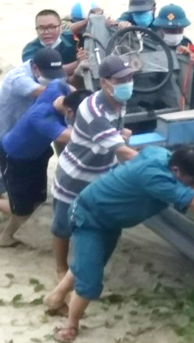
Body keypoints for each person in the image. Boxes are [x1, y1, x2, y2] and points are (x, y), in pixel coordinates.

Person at [46, 146, 194, 343]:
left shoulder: (160, 154)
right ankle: (70, 326)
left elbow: (136, 154)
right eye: (192, 181)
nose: (193, 186)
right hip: (89, 219)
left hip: (108, 219)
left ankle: (55, 298)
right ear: (176, 170)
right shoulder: (155, 178)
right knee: (90, 282)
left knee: (90, 263)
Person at [52, 55, 138, 278]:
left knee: (97, 221)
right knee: (63, 226)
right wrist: (153, 167)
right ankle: (61, 268)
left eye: (129, 77)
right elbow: (124, 152)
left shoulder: (119, 102)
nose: (127, 83)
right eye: (120, 80)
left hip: (101, 173)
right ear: (104, 83)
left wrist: (120, 133)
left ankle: (84, 265)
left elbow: (114, 135)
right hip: (75, 175)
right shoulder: (94, 111)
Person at [0, 48, 65, 223]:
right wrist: (71, 94)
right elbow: (45, 93)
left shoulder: (48, 73)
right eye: (49, 74)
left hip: (8, 131)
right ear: (34, 68)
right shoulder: (17, 77)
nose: (53, 78)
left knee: (7, 173)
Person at [0, 85, 86, 247]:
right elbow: (74, 137)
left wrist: (79, 95)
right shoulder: (43, 118)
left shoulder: (56, 90)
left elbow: (66, 85)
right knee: (22, 210)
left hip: (37, 155)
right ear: (70, 112)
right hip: (15, 158)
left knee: (38, 200)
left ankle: (5, 237)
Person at [21, 9, 86, 77]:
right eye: (41, 28)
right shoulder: (30, 51)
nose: (46, 32)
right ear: (36, 30)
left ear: (61, 28)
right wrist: (78, 63)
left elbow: (71, 30)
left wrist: (86, 21)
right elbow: (44, 72)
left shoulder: (71, 39)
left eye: (52, 27)